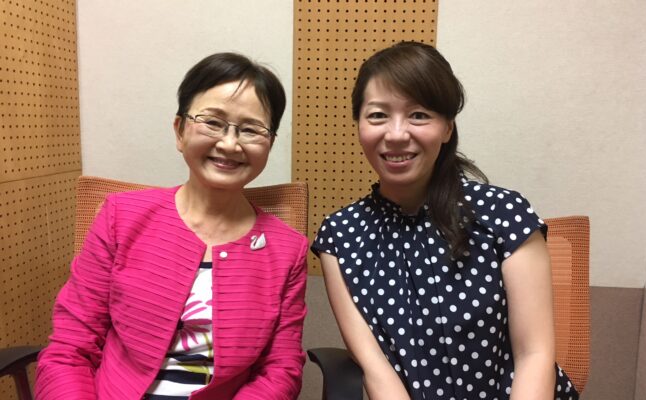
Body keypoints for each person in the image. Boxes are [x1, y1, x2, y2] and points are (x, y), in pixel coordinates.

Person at [312, 41, 579, 400]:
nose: (396, 134)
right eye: (377, 115)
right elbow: (376, 371)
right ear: (358, 124)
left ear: (447, 128)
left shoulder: (505, 214)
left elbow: (534, 355)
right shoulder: (340, 236)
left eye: (419, 115)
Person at [35, 53, 308, 400]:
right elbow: (70, 349)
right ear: (179, 130)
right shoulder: (120, 217)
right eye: (213, 122)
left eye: (251, 129)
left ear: (269, 143)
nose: (229, 143)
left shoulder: (288, 250)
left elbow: (280, 370)